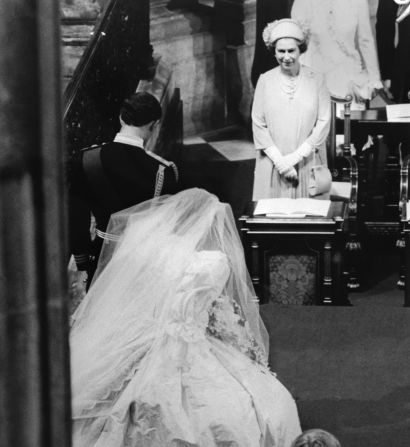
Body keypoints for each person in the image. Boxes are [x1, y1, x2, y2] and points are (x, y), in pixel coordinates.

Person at [70, 188, 302, 447]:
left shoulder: (155, 251)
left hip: (152, 335)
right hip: (191, 345)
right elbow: (212, 305)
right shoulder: (213, 262)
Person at [68, 91, 179, 288]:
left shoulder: (86, 160)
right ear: (153, 125)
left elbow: (77, 218)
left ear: (121, 118)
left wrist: (83, 260)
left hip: (101, 261)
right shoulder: (164, 170)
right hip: (145, 264)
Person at [252, 19, 331, 200]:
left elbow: (323, 122)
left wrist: (295, 158)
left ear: (300, 49)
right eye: (281, 51)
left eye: (291, 51)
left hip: (307, 160)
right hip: (273, 162)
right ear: (274, 51)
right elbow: (258, 124)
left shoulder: (317, 79)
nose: (286, 57)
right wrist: (281, 163)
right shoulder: (265, 80)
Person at [291, 0, 382, 109]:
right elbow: (296, 42)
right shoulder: (303, 2)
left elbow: (365, 41)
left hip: (348, 80)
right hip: (314, 76)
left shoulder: (359, 2)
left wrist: (374, 79)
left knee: (347, 122)